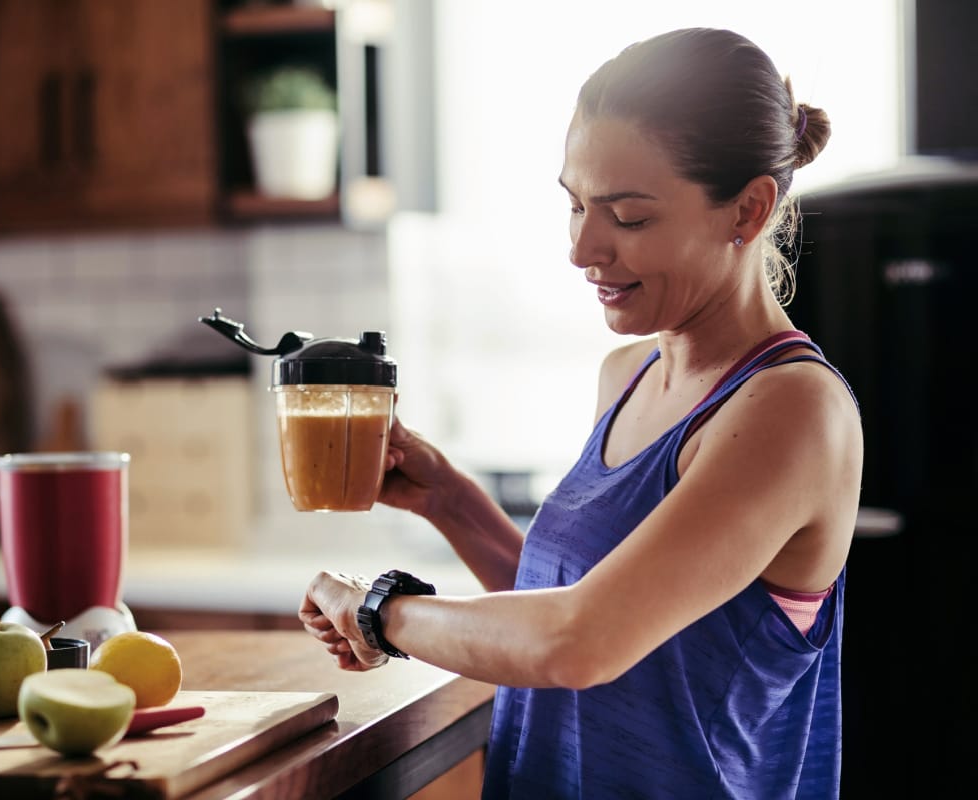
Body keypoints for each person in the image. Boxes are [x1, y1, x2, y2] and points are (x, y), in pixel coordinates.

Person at [299, 27, 863, 799]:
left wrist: (379, 612)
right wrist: (451, 501)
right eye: (575, 207)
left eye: (627, 217)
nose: (583, 248)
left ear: (747, 210)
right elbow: (588, 606)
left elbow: (582, 642)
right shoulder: (629, 375)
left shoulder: (792, 409)